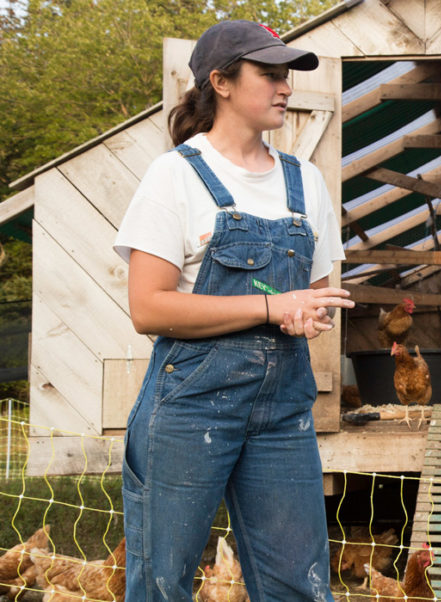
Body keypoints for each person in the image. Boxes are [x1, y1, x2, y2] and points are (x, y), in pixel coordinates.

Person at [113, 19, 352, 600]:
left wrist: (306, 315)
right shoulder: (176, 176)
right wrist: (274, 309)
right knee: (164, 584)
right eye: (269, 74)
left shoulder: (306, 182)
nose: (286, 87)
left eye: (287, 76)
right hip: (190, 410)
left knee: (299, 584)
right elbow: (148, 307)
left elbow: (315, 300)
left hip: (281, 414)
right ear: (220, 82)